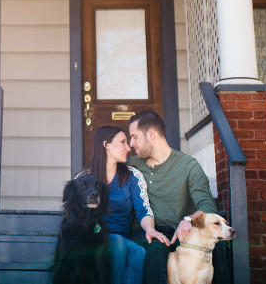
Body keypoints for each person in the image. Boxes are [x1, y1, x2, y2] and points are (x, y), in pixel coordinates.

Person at [127, 110, 230, 284]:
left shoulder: (188, 165)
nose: (131, 144)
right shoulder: (131, 165)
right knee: (157, 246)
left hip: (181, 231)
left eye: (134, 137)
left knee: (216, 245)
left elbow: (208, 205)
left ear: (150, 134)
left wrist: (189, 219)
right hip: (146, 231)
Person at [79, 125, 168, 284]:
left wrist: (150, 229)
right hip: (91, 239)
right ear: (106, 146)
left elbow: (143, 210)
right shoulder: (83, 178)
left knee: (138, 252)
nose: (128, 148)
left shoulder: (133, 176)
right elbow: (74, 215)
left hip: (121, 237)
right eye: (123, 142)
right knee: (118, 244)